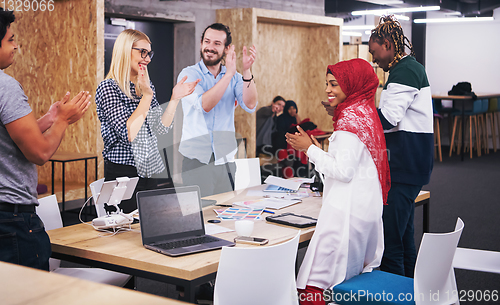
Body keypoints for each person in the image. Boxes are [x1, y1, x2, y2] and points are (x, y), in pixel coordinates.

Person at [286, 59, 390, 305]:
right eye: (326, 84)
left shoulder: (348, 123)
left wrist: (309, 149)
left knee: (315, 286)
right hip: (364, 209)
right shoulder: (365, 112)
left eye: (334, 84)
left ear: (351, 85)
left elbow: (343, 171)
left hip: (346, 215)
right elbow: (353, 162)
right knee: (345, 280)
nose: (327, 90)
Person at [0, 7, 91, 270]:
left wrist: (49, 118)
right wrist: (62, 121)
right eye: (10, 40)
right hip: (12, 219)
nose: (16, 46)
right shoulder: (6, 87)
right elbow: (39, 153)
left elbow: (9, 138)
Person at [95, 29, 199, 213]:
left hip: (151, 170)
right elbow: (129, 133)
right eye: (142, 52)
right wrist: (147, 96)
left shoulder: (146, 86)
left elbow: (160, 129)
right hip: (123, 173)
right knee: (124, 235)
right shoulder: (108, 88)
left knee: (152, 230)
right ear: (125, 51)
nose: (148, 59)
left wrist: (174, 98)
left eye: (149, 53)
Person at [368, 15, 433, 277]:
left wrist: (356, 115)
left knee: (390, 244)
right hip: (410, 164)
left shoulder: (404, 70)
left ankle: (396, 296)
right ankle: (411, 291)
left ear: (387, 44)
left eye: (374, 52)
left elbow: (389, 118)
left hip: (405, 165)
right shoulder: (406, 68)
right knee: (404, 240)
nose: (374, 59)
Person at [177, 23, 258, 197]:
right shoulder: (188, 75)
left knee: (225, 216)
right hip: (196, 162)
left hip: (226, 161)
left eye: (217, 43)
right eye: (207, 42)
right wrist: (228, 74)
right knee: (197, 217)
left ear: (227, 48)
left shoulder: (237, 78)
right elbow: (204, 105)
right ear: (201, 43)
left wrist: (246, 71)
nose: (210, 48)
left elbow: (250, 105)